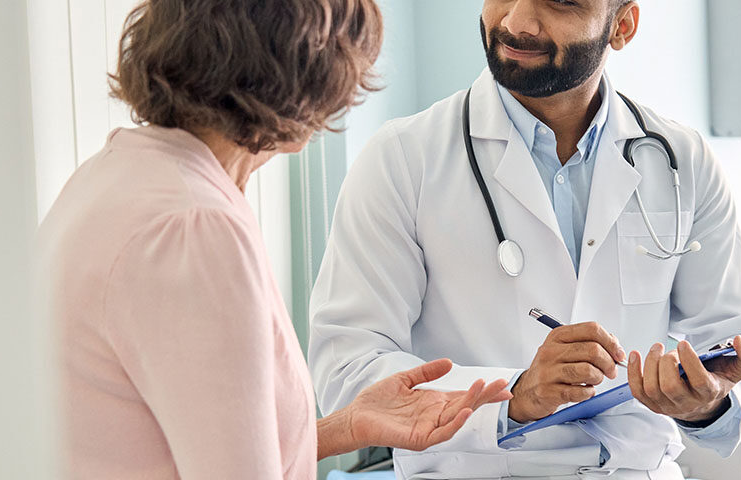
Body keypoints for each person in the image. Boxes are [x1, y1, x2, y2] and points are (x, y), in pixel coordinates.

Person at [308, 0, 741, 478]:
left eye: (560, 2)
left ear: (622, 26)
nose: (516, 23)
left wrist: (707, 403)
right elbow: (348, 371)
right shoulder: (402, 161)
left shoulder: (683, 161)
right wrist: (517, 393)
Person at [38, 0, 509, 478]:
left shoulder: (114, 174)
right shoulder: (195, 229)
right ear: (306, 81)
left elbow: (192, 440)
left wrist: (347, 426)